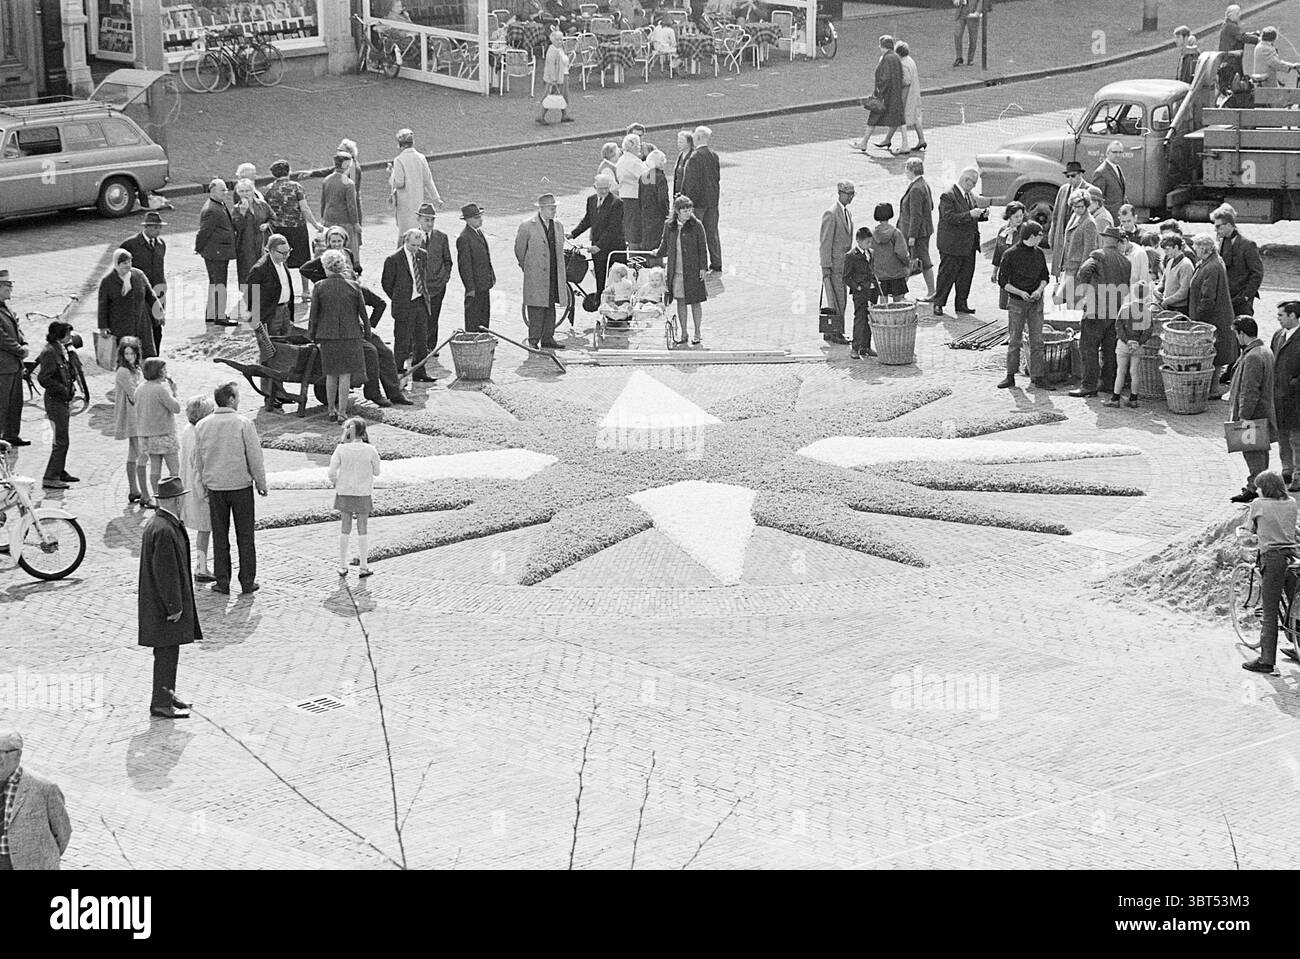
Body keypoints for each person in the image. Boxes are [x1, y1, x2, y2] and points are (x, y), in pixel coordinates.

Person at [301, 230, 411, 407]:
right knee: (371, 353)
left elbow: (379, 303)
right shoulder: (323, 286)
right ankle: (373, 393)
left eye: (347, 266)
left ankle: (394, 392)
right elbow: (306, 272)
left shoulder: (354, 287)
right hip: (342, 335)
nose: (345, 269)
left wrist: (370, 328)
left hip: (356, 330)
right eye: (340, 266)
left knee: (384, 352)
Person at [193, 381, 267, 596]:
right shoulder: (243, 423)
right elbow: (254, 456)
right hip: (240, 487)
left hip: (216, 487)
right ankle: (247, 581)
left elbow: (198, 459)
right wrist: (261, 483)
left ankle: (222, 581)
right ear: (231, 399)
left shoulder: (203, 425)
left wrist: (204, 484)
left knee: (220, 535)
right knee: (245, 536)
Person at [138, 476, 202, 719]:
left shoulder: (162, 523)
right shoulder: (164, 529)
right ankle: (161, 702)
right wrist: (174, 606)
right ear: (176, 500)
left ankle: (167, 694)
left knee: (168, 652)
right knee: (165, 653)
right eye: (182, 499)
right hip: (164, 606)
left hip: (158, 604)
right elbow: (165, 572)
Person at [1241, 470, 1294, 674]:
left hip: (1272, 557)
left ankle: (1266, 660)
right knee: (1294, 603)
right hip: (1293, 554)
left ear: (1265, 488)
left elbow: (1250, 529)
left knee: (1269, 611)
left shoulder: (1259, 504)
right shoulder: (1291, 502)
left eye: (1259, 487)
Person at [1069, 227, 1131, 398]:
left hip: (1096, 309)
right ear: (1118, 242)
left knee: (1089, 347)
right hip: (1115, 310)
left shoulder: (1098, 255)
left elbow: (1083, 272)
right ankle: (1108, 383)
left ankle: (1088, 385)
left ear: (1105, 239)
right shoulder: (1126, 262)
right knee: (1109, 349)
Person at [311, 250, 371, 420]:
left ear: (325, 267)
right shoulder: (354, 286)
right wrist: (367, 333)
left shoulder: (319, 286)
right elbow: (363, 314)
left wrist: (312, 336)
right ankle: (342, 412)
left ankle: (331, 410)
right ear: (343, 266)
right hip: (350, 335)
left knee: (331, 374)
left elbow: (314, 315)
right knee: (345, 376)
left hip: (328, 336)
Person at [0, 731, 72, 869]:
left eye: (1, 752)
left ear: (17, 755)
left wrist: (42, 858)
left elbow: (62, 832)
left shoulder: (44, 788)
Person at [997, 221, 1052, 391]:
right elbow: (1003, 281)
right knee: (1015, 340)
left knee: (1037, 340)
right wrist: (1020, 292)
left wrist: (1039, 290)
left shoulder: (1039, 254)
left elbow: (1045, 276)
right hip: (1017, 302)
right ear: (1032, 236)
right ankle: (1010, 375)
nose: (1042, 237)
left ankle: (1038, 376)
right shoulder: (1010, 254)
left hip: (1035, 301)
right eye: (1040, 234)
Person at [1227, 314, 1277, 503]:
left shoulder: (1253, 357)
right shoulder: (1264, 350)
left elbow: (1249, 390)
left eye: (1236, 334)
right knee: (1260, 453)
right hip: (1262, 411)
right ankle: (1260, 485)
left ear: (1242, 334)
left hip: (1253, 415)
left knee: (1253, 453)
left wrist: (1243, 417)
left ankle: (1254, 488)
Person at [932, 167, 990, 318]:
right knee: (947, 275)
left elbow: (972, 214)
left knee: (966, 275)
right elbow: (949, 217)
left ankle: (961, 303)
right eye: (973, 183)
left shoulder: (969, 195)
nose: (974, 186)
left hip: (968, 244)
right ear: (966, 180)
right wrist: (970, 214)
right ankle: (938, 303)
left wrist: (982, 215)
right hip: (952, 244)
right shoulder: (948, 195)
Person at [515, 193, 570, 351]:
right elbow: (519, 249)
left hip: (553, 272)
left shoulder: (558, 226)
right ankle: (534, 339)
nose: (554, 211)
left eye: (555, 208)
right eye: (551, 208)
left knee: (550, 305)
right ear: (542, 209)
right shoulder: (527, 225)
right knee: (536, 307)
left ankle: (548, 337)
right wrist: (528, 267)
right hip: (536, 274)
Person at [329, 416, 382, 578]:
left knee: (345, 529)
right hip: (363, 493)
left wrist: (337, 483)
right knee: (362, 529)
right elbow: (377, 472)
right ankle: (363, 566)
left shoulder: (341, 449)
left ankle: (342, 565)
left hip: (344, 491)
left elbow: (331, 472)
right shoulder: (370, 449)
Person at [1188, 232, 1237, 400]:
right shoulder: (1210, 262)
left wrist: (1198, 320)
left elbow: (1208, 298)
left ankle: (1213, 389)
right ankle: (1212, 388)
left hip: (1214, 318)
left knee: (1214, 352)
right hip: (1215, 316)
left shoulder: (1212, 267)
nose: (1194, 249)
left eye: (1196, 246)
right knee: (1214, 352)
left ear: (1204, 248)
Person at [382, 229, 435, 381]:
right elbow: (387, 283)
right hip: (404, 305)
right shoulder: (393, 259)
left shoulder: (422, 255)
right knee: (402, 340)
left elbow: (423, 276)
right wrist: (400, 298)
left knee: (421, 340)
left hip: (420, 303)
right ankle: (397, 372)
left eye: (418, 245)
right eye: (413, 245)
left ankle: (420, 371)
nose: (416, 249)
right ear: (406, 241)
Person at [656, 195, 709, 346]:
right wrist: (656, 253)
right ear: (677, 211)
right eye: (684, 210)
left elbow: (702, 248)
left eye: (689, 209)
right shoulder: (669, 225)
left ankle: (697, 332)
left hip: (692, 270)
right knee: (681, 301)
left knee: (695, 301)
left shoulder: (696, 225)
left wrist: (703, 268)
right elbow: (664, 243)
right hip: (677, 270)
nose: (688, 213)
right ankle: (684, 332)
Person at [134, 357, 181, 508]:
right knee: (174, 469)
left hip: (147, 436)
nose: (166, 372)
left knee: (155, 468)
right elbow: (176, 408)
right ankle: (177, 498)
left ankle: (157, 498)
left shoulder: (140, 388)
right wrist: (174, 392)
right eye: (164, 370)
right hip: (164, 434)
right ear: (159, 372)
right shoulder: (160, 389)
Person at [36, 321, 77, 491]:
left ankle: (59, 470)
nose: (70, 337)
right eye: (68, 334)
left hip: (61, 400)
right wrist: (63, 390)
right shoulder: (50, 352)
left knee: (63, 438)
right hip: (55, 401)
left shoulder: (59, 349)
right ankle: (51, 476)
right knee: (61, 441)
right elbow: (44, 378)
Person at [264, 159, 323, 278]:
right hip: (297, 228)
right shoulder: (296, 187)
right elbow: (304, 208)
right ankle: (305, 290)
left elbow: (266, 210)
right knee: (303, 260)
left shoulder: (269, 189)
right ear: (289, 171)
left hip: (278, 229)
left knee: (280, 260)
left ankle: (284, 285)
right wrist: (316, 225)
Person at [119, 212, 168, 353]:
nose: (159, 230)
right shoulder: (130, 244)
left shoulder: (161, 244)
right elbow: (120, 269)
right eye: (156, 227)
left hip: (158, 292)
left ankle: (155, 357)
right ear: (147, 227)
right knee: (141, 327)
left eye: (160, 227)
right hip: (140, 293)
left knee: (158, 326)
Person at [569, 172, 625, 295]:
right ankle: (600, 301)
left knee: (617, 280)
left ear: (610, 187)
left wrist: (599, 246)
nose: (604, 191)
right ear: (595, 187)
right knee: (600, 278)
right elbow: (588, 220)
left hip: (613, 247)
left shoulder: (617, 203)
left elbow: (613, 229)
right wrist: (573, 234)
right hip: (597, 247)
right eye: (601, 189)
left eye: (606, 188)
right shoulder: (591, 200)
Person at [180, 394, 216, 582]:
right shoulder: (199, 435)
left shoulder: (188, 430)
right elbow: (198, 469)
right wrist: (205, 493)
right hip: (198, 491)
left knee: (203, 530)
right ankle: (201, 568)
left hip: (187, 486)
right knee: (204, 531)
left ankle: (200, 566)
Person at [98, 249, 159, 357]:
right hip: (120, 326)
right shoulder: (107, 281)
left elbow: (151, 295)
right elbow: (103, 305)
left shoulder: (138, 275)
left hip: (141, 322)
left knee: (146, 355)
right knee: (127, 357)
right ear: (117, 264)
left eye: (130, 262)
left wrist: (159, 312)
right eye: (124, 263)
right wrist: (103, 327)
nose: (128, 265)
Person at [195, 178, 238, 326]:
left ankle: (211, 314)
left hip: (218, 252)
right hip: (216, 253)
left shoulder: (218, 204)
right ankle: (220, 316)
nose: (225, 193)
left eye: (226, 189)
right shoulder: (212, 210)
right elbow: (204, 232)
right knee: (219, 284)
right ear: (212, 191)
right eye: (222, 190)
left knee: (216, 283)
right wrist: (199, 248)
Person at [851, 37, 905, 154]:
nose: (879, 48)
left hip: (885, 96)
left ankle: (864, 142)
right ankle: (890, 140)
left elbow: (885, 78)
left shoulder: (887, 59)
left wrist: (878, 91)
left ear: (883, 46)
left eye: (880, 45)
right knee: (897, 119)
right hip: (895, 94)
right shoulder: (896, 57)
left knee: (873, 118)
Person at [819, 180, 855, 345]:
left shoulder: (846, 212)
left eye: (852, 194)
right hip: (834, 265)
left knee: (839, 298)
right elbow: (825, 243)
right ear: (840, 193)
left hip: (843, 265)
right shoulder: (831, 214)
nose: (851, 197)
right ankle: (837, 332)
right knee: (837, 299)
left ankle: (833, 331)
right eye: (848, 194)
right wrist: (826, 266)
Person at [389, 129, 441, 242]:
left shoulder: (399, 160)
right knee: (417, 231)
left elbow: (399, 183)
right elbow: (428, 180)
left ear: (400, 144)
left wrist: (392, 173)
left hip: (404, 203)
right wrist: (436, 198)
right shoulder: (421, 158)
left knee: (404, 234)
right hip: (418, 201)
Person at [1213, 204, 1264, 317]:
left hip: (1242, 299)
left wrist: (1247, 295)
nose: (1215, 230)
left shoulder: (1247, 245)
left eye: (1218, 226)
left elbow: (1257, 273)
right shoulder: (1222, 242)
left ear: (1229, 225)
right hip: (1227, 297)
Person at [681, 126, 721, 271]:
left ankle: (698, 263)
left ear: (697, 138)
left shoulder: (694, 157)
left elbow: (690, 183)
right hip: (712, 200)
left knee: (696, 233)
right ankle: (716, 262)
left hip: (698, 203)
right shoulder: (713, 155)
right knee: (713, 233)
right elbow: (717, 178)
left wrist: (688, 202)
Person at [1271, 301, 1300, 491]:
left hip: (1297, 399)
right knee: (1282, 436)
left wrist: (1295, 383)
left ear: (1292, 316)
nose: (1278, 319)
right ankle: (1287, 469)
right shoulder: (1278, 335)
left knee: (1297, 439)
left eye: (1281, 315)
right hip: (1279, 396)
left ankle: (1298, 475)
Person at [417, 203, 454, 357]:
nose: (430, 223)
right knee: (418, 317)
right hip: (418, 287)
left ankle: (430, 347)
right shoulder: (411, 237)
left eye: (432, 220)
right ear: (418, 219)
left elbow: (448, 261)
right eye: (426, 220)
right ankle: (416, 347)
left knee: (434, 316)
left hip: (437, 285)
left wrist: (444, 278)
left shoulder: (441, 237)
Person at [112, 337, 145, 504]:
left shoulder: (136, 368)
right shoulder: (124, 372)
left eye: (132, 353)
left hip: (136, 414)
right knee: (139, 452)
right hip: (131, 416)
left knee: (134, 452)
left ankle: (134, 489)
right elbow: (134, 394)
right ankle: (140, 490)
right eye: (126, 353)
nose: (129, 356)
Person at [897, 158, 935, 301]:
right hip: (923, 231)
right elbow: (929, 206)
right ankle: (931, 291)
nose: (905, 172)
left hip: (916, 233)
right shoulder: (923, 184)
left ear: (911, 170)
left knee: (910, 261)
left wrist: (912, 235)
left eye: (906, 169)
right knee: (921, 261)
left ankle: (901, 292)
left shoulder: (916, 189)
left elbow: (916, 214)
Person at [1053, 190, 1098, 305]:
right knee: (1062, 301)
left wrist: (1082, 274)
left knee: (1072, 303)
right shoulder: (1074, 216)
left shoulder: (1089, 223)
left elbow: (1089, 250)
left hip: (1077, 270)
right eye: (1075, 206)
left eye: (1080, 207)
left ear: (1086, 205)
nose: (1077, 209)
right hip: (1068, 267)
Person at [0, 270, 28, 447]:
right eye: (7, 285)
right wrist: (20, 349)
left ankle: (12, 434)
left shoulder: (7, 308)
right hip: (3, 367)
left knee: (15, 402)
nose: (11, 288)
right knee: (2, 404)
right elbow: (2, 337)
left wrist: (24, 343)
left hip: (15, 365)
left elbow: (17, 330)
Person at [458, 203, 495, 332]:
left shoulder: (478, 233)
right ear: (467, 220)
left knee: (484, 314)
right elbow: (465, 266)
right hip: (474, 286)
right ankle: (473, 338)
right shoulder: (464, 238)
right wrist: (470, 288)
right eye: (476, 218)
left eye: (480, 217)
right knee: (473, 315)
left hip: (484, 283)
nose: (480, 220)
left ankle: (484, 336)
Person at [231, 178, 272, 294]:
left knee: (263, 268)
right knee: (248, 271)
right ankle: (249, 299)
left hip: (262, 242)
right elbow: (236, 227)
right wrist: (242, 213)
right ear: (238, 193)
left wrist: (267, 224)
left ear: (252, 191)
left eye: (247, 191)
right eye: (242, 191)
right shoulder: (236, 208)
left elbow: (273, 218)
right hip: (245, 245)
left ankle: (263, 296)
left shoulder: (262, 204)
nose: (245, 194)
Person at [1048, 162, 1089, 276]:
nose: (1070, 179)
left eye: (1073, 176)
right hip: (1063, 236)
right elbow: (1056, 216)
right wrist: (1052, 235)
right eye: (1068, 176)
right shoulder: (1063, 190)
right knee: (1060, 271)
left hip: (1077, 238)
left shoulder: (1088, 190)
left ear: (1080, 175)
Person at [844, 226, 878, 358]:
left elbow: (872, 270)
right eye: (867, 242)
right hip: (860, 293)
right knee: (859, 318)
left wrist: (875, 284)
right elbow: (846, 277)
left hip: (871, 291)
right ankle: (855, 347)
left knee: (869, 318)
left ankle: (866, 346)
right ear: (858, 241)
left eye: (870, 242)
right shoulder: (851, 256)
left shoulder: (871, 253)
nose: (869, 244)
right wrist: (857, 287)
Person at [320, 152, 361, 260]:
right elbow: (352, 206)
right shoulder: (349, 183)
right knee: (348, 249)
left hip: (328, 219)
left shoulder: (327, 180)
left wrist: (322, 218)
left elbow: (323, 202)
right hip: (344, 220)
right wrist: (356, 223)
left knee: (330, 247)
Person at [869, 202, 910, 303]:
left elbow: (870, 253)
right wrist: (907, 264)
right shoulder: (896, 233)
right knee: (898, 301)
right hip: (896, 273)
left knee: (883, 299)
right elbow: (902, 253)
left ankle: (884, 317)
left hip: (880, 273)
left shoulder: (873, 233)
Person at [990, 201, 1026, 305]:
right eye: (1016, 216)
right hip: (1006, 272)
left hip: (1019, 273)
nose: (1019, 219)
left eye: (1021, 216)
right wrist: (994, 271)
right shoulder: (1003, 231)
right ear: (1009, 216)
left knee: (1017, 303)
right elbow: (998, 252)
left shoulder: (1025, 230)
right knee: (1006, 304)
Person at [615, 133, 647, 249]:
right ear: (633, 147)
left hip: (625, 196)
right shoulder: (634, 162)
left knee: (630, 229)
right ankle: (636, 259)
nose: (640, 147)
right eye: (638, 144)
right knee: (635, 232)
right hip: (634, 198)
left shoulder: (621, 160)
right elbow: (649, 179)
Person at [894, 41, 926, 155]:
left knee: (904, 118)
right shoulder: (910, 60)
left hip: (908, 95)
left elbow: (906, 81)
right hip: (915, 92)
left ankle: (905, 143)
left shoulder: (903, 64)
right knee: (916, 118)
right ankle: (921, 139)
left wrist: (897, 82)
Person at [539, 30, 574, 124]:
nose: (560, 41)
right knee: (551, 96)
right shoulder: (552, 50)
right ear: (552, 40)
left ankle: (564, 114)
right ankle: (540, 116)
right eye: (558, 39)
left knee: (563, 96)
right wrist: (553, 79)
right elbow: (550, 66)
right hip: (557, 78)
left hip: (563, 75)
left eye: (561, 39)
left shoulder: (560, 49)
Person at [639, 145, 670, 251]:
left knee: (648, 241)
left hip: (646, 213)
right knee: (657, 244)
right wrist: (666, 213)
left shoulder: (644, 175)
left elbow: (643, 195)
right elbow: (662, 198)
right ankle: (656, 265)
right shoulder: (660, 177)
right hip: (657, 215)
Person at [1156, 233, 1194, 313]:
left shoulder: (1186, 265)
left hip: (1180, 308)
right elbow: (1163, 281)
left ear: (1176, 247)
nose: (1165, 252)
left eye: (1167, 249)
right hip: (1168, 306)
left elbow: (1184, 291)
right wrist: (1157, 290)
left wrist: (1167, 301)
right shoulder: (1170, 261)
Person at [1092, 142, 1128, 222]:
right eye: (1115, 152)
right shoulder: (1101, 172)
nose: (1118, 155)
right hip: (1108, 219)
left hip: (1119, 218)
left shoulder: (1117, 168)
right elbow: (1097, 200)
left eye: (1120, 152)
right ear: (1107, 153)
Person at [953, 0, 982, 67]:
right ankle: (959, 57)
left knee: (973, 37)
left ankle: (970, 58)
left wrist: (977, 12)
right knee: (957, 34)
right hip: (961, 11)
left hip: (972, 12)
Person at [671, 129, 693, 200]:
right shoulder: (680, 155)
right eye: (678, 142)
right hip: (678, 194)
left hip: (687, 195)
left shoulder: (693, 157)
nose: (678, 144)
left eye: (681, 142)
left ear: (689, 143)